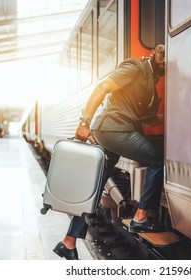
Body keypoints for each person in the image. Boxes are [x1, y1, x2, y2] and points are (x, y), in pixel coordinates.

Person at [53, 44, 166, 260]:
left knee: (95, 185)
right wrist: (84, 122)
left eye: (167, 57)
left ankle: (68, 241)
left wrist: (172, 113)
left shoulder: (152, 83)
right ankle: (140, 218)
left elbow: (148, 119)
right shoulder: (135, 67)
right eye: (162, 53)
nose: (164, 59)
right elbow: (103, 86)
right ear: (153, 53)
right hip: (113, 128)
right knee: (156, 161)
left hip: (114, 131)